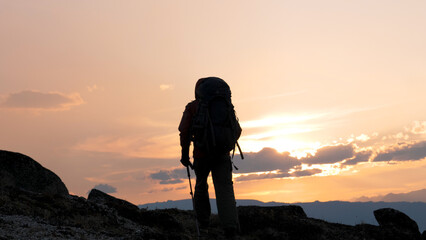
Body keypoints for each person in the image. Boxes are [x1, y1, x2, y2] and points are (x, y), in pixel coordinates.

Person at [179, 77, 240, 239]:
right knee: (225, 188)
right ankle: (230, 228)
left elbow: (184, 131)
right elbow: (237, 129)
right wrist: (226, 145)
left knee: (200, 186)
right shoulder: (225, 105)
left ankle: (203, 226)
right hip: (222, 154)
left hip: (201, 154)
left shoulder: (193, 107)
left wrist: (185, 155)